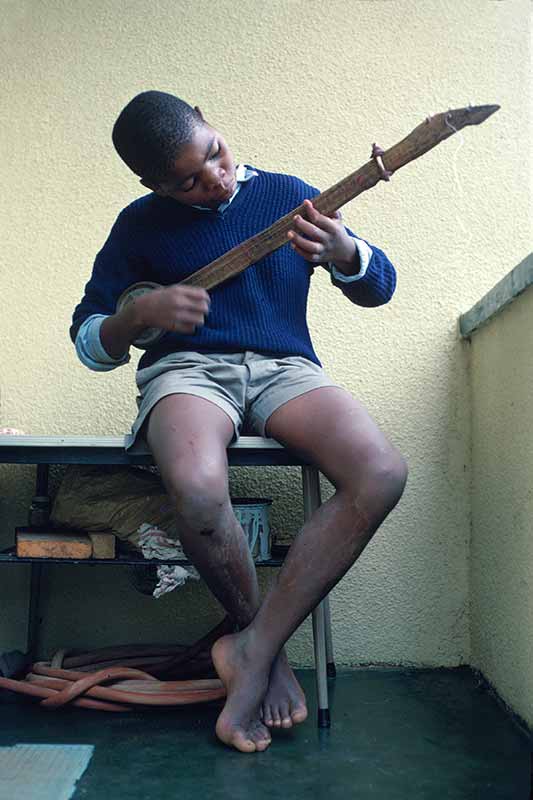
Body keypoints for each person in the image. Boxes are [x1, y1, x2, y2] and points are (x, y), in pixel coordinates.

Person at [71, 90, 407, 754]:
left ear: (209, 121)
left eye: (215, 154)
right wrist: (136, 317)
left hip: (286, 367)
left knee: (382, 473)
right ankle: (262, 654)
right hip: (188, 371)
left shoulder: (289, 194)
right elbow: (88, 341)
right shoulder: (137, 226)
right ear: (151, 185)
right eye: (187, 182)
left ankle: (251, 649)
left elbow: (380, 287)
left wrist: (345, 252)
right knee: (198, 489)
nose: (215, 178)